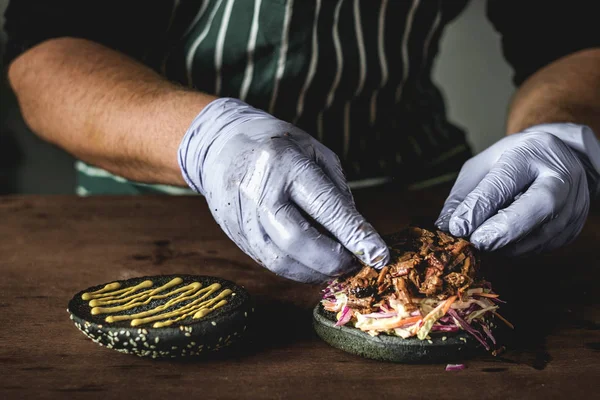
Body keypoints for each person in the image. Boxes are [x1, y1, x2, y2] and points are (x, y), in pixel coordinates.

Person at [3, 0, 599, 283]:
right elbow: (47, 57)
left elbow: (570, 38)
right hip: (159, 203)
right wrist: (208, 141)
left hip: (416, 189)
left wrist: (557, 133)